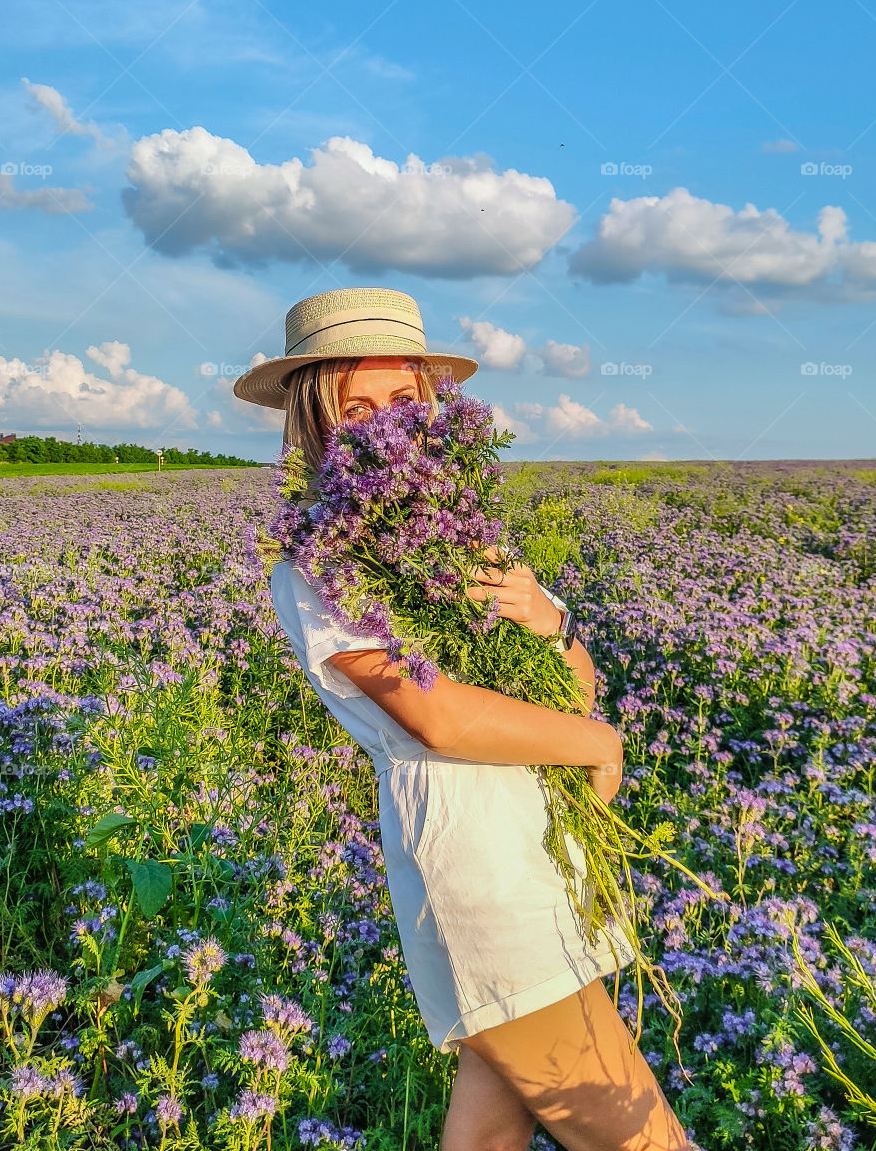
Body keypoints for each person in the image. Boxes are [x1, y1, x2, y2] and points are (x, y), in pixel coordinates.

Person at [233, 287, 693, 1151]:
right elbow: (438, 716)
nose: (384, 429)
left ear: (437, 409)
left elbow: (574, 687)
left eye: (403, 403)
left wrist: (549, 622)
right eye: (354, 410)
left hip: (545, 851)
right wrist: (599, 742)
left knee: (488, 1134)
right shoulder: (319, 562)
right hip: (480, 873)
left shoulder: (468, 536)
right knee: (643, 1137)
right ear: (315, 426)